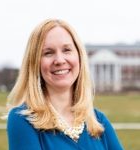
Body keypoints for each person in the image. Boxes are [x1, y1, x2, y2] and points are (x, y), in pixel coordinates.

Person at [7, 19, 124, 150]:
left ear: (79, 57)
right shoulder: (22, 120)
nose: (59, 60)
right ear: (34, 63)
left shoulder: (98, 120)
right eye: (48, 53)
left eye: (67, 50)